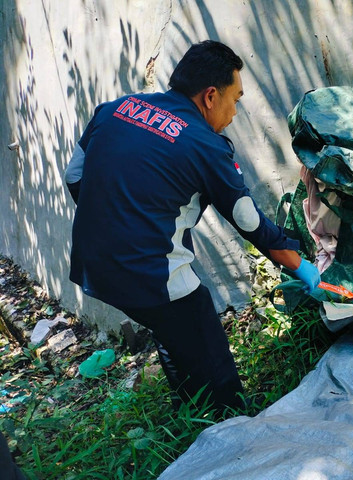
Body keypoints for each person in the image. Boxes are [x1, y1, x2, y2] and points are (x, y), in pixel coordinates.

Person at [64, 40, 320, 412]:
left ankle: (188, 407)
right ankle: (227, 423)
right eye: (236, 99)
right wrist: (299, 265)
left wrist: (116, 219)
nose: (235, 112)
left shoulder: (115, 109)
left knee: (170, 326)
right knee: (197, 326)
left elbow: (75, 175)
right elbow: (247, 219)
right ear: (211, 96)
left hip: (92, 263)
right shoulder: (205, 145)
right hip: (149, 272)